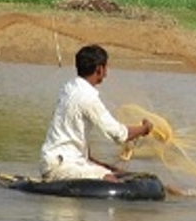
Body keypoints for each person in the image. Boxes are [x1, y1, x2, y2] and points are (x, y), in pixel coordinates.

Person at [40, 44, 153, 182]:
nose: (106, 73)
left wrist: (104, 166)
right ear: (99, 69)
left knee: (118, 173)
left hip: (60, 160)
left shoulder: (69, 87)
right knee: (111, 180)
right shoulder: (88, 98)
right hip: (61, 165)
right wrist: (144, 129)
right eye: (105, 68)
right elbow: (118, 134)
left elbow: (74, 138)